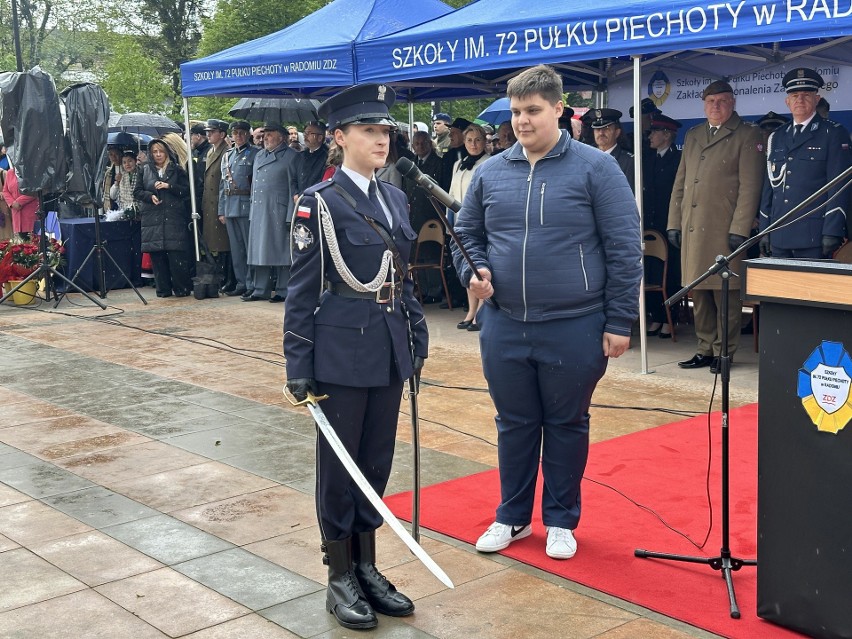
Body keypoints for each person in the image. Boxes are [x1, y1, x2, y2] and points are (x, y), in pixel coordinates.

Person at [453, 64, 641, 561]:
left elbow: (624, 248)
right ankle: (512, 517)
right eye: (516, 112)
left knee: (566, 423)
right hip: (505, 323)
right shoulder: (491, 171)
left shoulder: (596, 168)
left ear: (560, 109)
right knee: (513, 423)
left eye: (533, 110)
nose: (522, 121)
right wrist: (472, 272)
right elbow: (466, 235)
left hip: (575, 324)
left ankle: (560, 520)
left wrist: (619, 321)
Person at [284, 83, 428, 631]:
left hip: (389, 348)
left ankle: (367, 565)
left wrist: (417, 336)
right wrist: (298, 363)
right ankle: (339, 574)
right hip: (340, 352)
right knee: (340, 467)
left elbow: (402, 277)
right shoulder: (316, 202)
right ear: (340, 137)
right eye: (368, 130)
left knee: (375, 461)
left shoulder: (394, 197)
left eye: (385, 130)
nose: (381, 140)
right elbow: (302, 289)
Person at [667, 80, 764, 373]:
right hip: (694, 227)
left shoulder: (748, 134)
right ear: (703, 104)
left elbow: (750, 187)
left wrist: (741, 228)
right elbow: (680, 184)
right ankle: (705, 348)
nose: (716, 106)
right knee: (700, 292)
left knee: (726, 295)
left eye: (722, 101)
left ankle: (725, 351)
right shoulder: (694, 134)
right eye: (711, 101)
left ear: (733, 102)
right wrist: (674, 222)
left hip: (725, 229)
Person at [759, 68, 851, 259]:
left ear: (816, 100)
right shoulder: (777, 136)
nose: (799, 100)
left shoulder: (832, 133)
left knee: (810, 289)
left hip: (814, 234)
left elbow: (839, 186)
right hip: (779, 232)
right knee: (778, 289)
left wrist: (832, 231)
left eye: (806, 95)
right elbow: (770, 187)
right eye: (794, 95)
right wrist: (764, 229)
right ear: (787, 101)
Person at [134, 138, 193, 298]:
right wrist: (149, 196)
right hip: (153, 217)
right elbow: (137, 191)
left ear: (167, 152)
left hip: (173, 216)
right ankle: (163, 290)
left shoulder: (177, 169)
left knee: (176, 256)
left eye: (161, 151)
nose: (158, 155)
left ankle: (181, 288)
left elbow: (186, 191)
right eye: (155, 152)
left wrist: (169, 187)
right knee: (157, 257)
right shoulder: (144, 169)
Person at [245, 122, 296, 303]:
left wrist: (291, 214)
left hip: (278, 209)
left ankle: (283, 288)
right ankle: (260, 289)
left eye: (270, 134)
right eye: (265, 134)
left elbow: (293, 188)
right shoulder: (259, 155)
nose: (265, 137)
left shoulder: (291, 156)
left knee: (281, 250)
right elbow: (255, 186)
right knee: (259, 250)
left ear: (281, 137)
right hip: (260, 208)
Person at [642, 114, 682, 339]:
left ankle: (670, 316)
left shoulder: (677, 159)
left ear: (666, 135)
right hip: (650, 223)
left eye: (654, 132)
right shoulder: (647, 158)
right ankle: (656, 315)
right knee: (651, 270)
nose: (650, 136)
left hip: (669, 224)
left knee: (671, 273)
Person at [449, 123, 491, 331]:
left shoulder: (489, 163)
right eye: (469, 140)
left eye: (477, 140)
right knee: (466, 266)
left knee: (479, 266)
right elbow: (451, 195)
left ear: (484, 142)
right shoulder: (458, 164)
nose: (473, 144)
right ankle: (471, 310)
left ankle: (481, 311)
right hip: (459, 223)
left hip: (480, 223)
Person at [219, 120, 258, 297]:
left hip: (246, 204)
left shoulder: (256, 153)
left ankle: (252, 283)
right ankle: (241, 282)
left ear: (248, 134)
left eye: (242, 132)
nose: (239, 136)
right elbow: (222, 185)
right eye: (235, 133)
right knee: (236, 249)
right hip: (229, 205)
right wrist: (221, 210)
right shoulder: (227, 155)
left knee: (250, 247)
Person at [201, 119, 232, 292]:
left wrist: (223, 208)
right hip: (209, 203)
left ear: (222, 134)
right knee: (214, 245)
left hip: (219, 203)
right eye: (208, 132)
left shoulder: (226, 152)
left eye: (212, 132)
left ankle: (227, 278)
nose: (208, 135)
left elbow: (224, 183)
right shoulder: (210, 151)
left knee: (223, 245)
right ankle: (219, 278)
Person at [588, 108, 635, 192]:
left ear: (617, 132)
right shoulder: (586, 157)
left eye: (606, 128)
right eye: (597, 129)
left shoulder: (629, 161)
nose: (601, 133)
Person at [290, 121, 329, 199]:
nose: (305, 136)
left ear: (320, 138)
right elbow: (293, 178)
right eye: (305, 133)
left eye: (309, 133)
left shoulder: (328, 157)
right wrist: (295, 193)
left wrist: (303, 195)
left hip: (316, 201)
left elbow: (322, 182)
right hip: (299, 200)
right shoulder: (300, 156)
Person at [1, 159, 38, 238]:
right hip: (16, 213)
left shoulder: (32, 172)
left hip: (30, 212)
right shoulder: (10, 173)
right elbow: (5, 190)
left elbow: (35, 190)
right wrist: (12, 203)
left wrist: (19, 202)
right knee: (21, 243)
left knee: (33, 241)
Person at [439, 117, 471, 192]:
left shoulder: (472, 154)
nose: (450, 135)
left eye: (453, 133)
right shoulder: (448, 155)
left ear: (464, 134)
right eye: (450, 132)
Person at [109, 150, 141, 216]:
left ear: (135, 161)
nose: (127, 164)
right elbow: (113, 196)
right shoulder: (121, 176)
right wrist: (117, 183)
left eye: (130, 161)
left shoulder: (142, 174)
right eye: (124, 162)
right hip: (124, 212)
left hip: (141, 212)